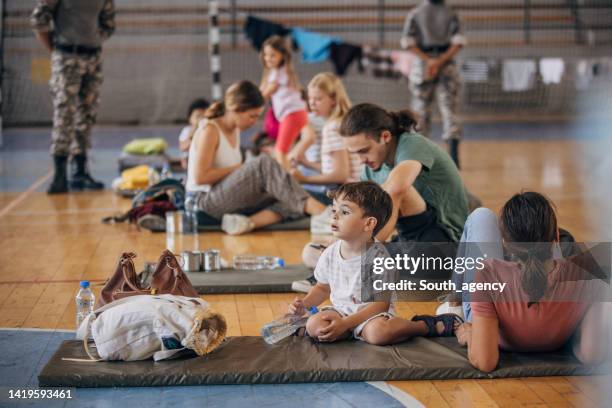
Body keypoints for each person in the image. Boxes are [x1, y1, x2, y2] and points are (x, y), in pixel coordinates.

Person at [452, 192, 610, 372]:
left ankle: (453, 301)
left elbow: (485, 362)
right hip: (558, 324)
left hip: (488, 326)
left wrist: (469, 333)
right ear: (556, 238)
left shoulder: (488, 272)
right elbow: (592, 355)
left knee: (482, 216)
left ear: (504, 244)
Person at [289, 181, 462, 344]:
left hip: (371, 316)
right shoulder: (330, 253)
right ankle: (345, 332)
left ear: (369, 223)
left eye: (345, 212)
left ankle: (424, 325)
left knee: (378, 334)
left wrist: (346, 323)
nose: (334, 216)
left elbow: (380, 305)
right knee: (314, 325)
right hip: (340, 312)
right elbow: (322, 288)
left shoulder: (380, 259)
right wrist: (304, 305)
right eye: (334, 210)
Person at [186, 80, 330, 235]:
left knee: (284, 191)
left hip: (221, 196)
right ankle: (322, 214)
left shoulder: (235, 130)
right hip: (202, 201)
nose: (254, 122)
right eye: (251, 116)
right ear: (235, 109)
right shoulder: (210, 130)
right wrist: (240, 168)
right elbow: (200, 177)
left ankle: (245, 223)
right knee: (263, 163)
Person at [30, 0, 116, 194]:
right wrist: (56, 48)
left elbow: (108, 22)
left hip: (93, 58)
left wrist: (93, 38)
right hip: (66, 56)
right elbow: (38, 19)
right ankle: (59, 176)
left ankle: (80, 171)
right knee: (64, 116)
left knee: (87, 114)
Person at [401, 0, 466, 167]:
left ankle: (421, 157)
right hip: (447, 64)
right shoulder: (451, 12)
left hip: (423, 65)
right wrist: (441, 60)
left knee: (420, 111)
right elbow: (458, 42)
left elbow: (408, 42)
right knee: (450, 110)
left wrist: (430, 61)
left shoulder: (415, 13)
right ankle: (454, 158)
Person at [289, 72, 363, 205]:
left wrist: (304, 179)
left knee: (287, 192)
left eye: (318, 99)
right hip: (353, 190)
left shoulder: (333, 127)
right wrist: (307, 163)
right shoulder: (344, 122)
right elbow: (335, 168)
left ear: (333, 100)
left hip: (343, 193)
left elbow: (341, 175)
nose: (312, 103)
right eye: (310, 98)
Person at [259, 36, 309, 170]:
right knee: (282, 150)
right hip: (295, 113)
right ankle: (289, 176)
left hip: (292, 113)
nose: (268, 58)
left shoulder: (279, 73)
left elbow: (267, 92)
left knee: (280, 151)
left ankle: (286, 184)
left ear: (282, 56)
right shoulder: (278, 71)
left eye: (272, 55)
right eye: (266, 55)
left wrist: (253, 101)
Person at [178, 98, 210, 169]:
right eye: (197, 116)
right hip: (189, 161)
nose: (201, 120)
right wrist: (192, 133)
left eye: (204, 117)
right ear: (189, 118)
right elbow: (183, 147)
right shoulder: (187, 130)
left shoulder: (208, 131)